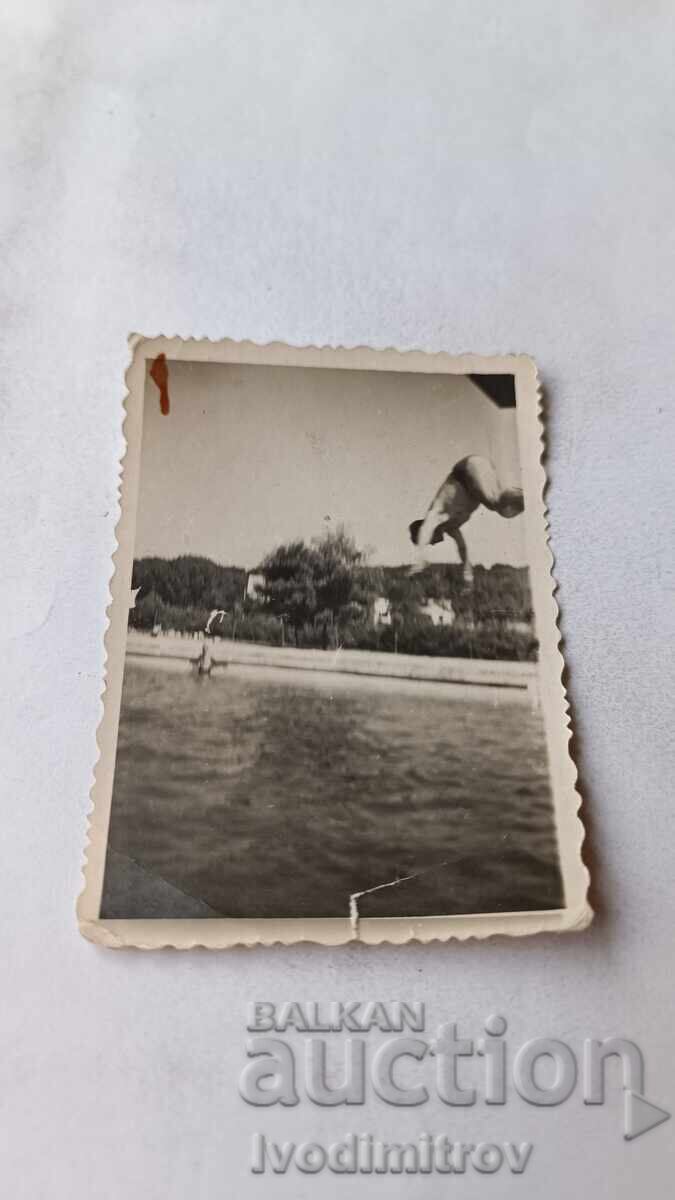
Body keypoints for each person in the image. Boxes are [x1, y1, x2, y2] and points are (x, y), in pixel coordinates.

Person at [409, 454, 524, 587]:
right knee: (505, 511)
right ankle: (526, 498)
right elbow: (462, 548)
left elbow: (426, 528)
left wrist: (419, 559)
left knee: (495, 502)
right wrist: (467, 574)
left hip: (467, 470)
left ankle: (527, 496)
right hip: (477, 471)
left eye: (430, 542)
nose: (434, 544)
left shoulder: (435, 514)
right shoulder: (451, 528)